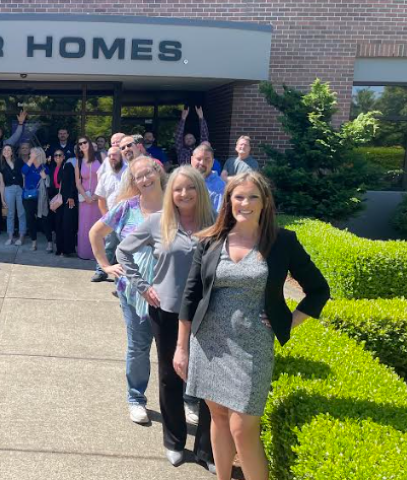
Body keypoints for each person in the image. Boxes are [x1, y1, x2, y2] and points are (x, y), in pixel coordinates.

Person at [178, 172, 330, 480]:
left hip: (253, 347)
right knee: (218, 418)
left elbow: (318, 289)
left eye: (252, 197)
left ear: (265, 202)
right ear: (229, 200)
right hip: (209, 343)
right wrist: (181, 347)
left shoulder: (282, 242)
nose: (244, 203)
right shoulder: (210, 240)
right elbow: (190, 296)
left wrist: (289, 320)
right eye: (238, 196)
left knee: (242, 429)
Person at [116, 166, 215, 471]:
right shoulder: (158, 222)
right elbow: (123, 251)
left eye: (190, 188)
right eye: (178, 189)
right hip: (167, 311)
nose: (183, 194)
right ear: (170, 192)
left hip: (206, 313)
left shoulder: (214, 224)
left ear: (200, 191)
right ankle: (174, 440)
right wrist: (143, 287)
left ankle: (206, 450)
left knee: (207, 382)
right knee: (170, 377)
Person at [89, 156, 166, 425]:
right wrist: (106, 266)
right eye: (138, 177)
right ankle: (136, 398)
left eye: (148, 173)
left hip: (170, 290)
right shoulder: (126, 208)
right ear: (133, 182)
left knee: (174, 349)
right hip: (133, 292)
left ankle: (185, 402)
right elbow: (96, 233)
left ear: (158, 171)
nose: (145, 180)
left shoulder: (176, 204)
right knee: (138, 347)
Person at [91, 146, 127, 282]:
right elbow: (101, 198)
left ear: (121, 157)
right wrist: (107, 217)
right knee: (108, 246)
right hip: (112, 217)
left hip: (128, 218)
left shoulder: (129, 173)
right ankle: (101, 271)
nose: (112, 157)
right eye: (110, 155)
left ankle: (123, 278)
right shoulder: (105, 176)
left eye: (115, 155)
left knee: (126, 249)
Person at [75, 136, 103, 260]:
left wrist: (97, 194)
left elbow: (107, 176)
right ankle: (85, 253)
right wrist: (86, 197)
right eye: (80, 144)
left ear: (90, 143)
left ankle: (99, 254)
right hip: (85, 199)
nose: (82, 145)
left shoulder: (100, 157)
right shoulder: (79, 161)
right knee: (85, 226)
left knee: (99, 225)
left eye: (85, 142)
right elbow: (78, 182)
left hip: (99, 197)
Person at [22, 147, 53, 252]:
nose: (30, 154)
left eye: (32, 153)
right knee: (30, 220)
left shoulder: (44, 167)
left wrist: (40, 168)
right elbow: (23, 171)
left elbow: (46, 181)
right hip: (28, 197)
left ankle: (49, 243)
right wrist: (31, 160)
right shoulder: (28, 166)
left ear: (38, 155)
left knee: (44, 219)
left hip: (41, 198)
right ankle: (34, 242)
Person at [52, 149, 79, 257]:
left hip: (67, 200)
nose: (57, 157)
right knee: (58, 225)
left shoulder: (67, 166)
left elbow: (72, 182)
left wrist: (71, 196)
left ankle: (67, 250)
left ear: (64, 157)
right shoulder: (53, 167)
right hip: (57, 199)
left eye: (60, 155)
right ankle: (60, 249)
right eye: (55, 155)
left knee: (67, 225)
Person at [0, 144, 26, 246]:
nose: (6, 151)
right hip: (8, 189)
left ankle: (21, 237)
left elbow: (24, 176)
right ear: (2, 152)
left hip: (20, 189)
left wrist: (24, 189)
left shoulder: (19, 161)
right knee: (10, 214)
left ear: (12, 152)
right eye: (4, 150)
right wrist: (2, 199)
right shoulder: (1, 165)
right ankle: (10, 238)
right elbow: (1, 183)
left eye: (8, 150)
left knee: (21, 213)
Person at [190, 144, 226, 213]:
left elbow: (217, 218)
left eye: (207, 159)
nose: (202, 163)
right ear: (191, 160)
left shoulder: (220, 187)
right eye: (198, 159)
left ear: (212, 162)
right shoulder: (184, 181)